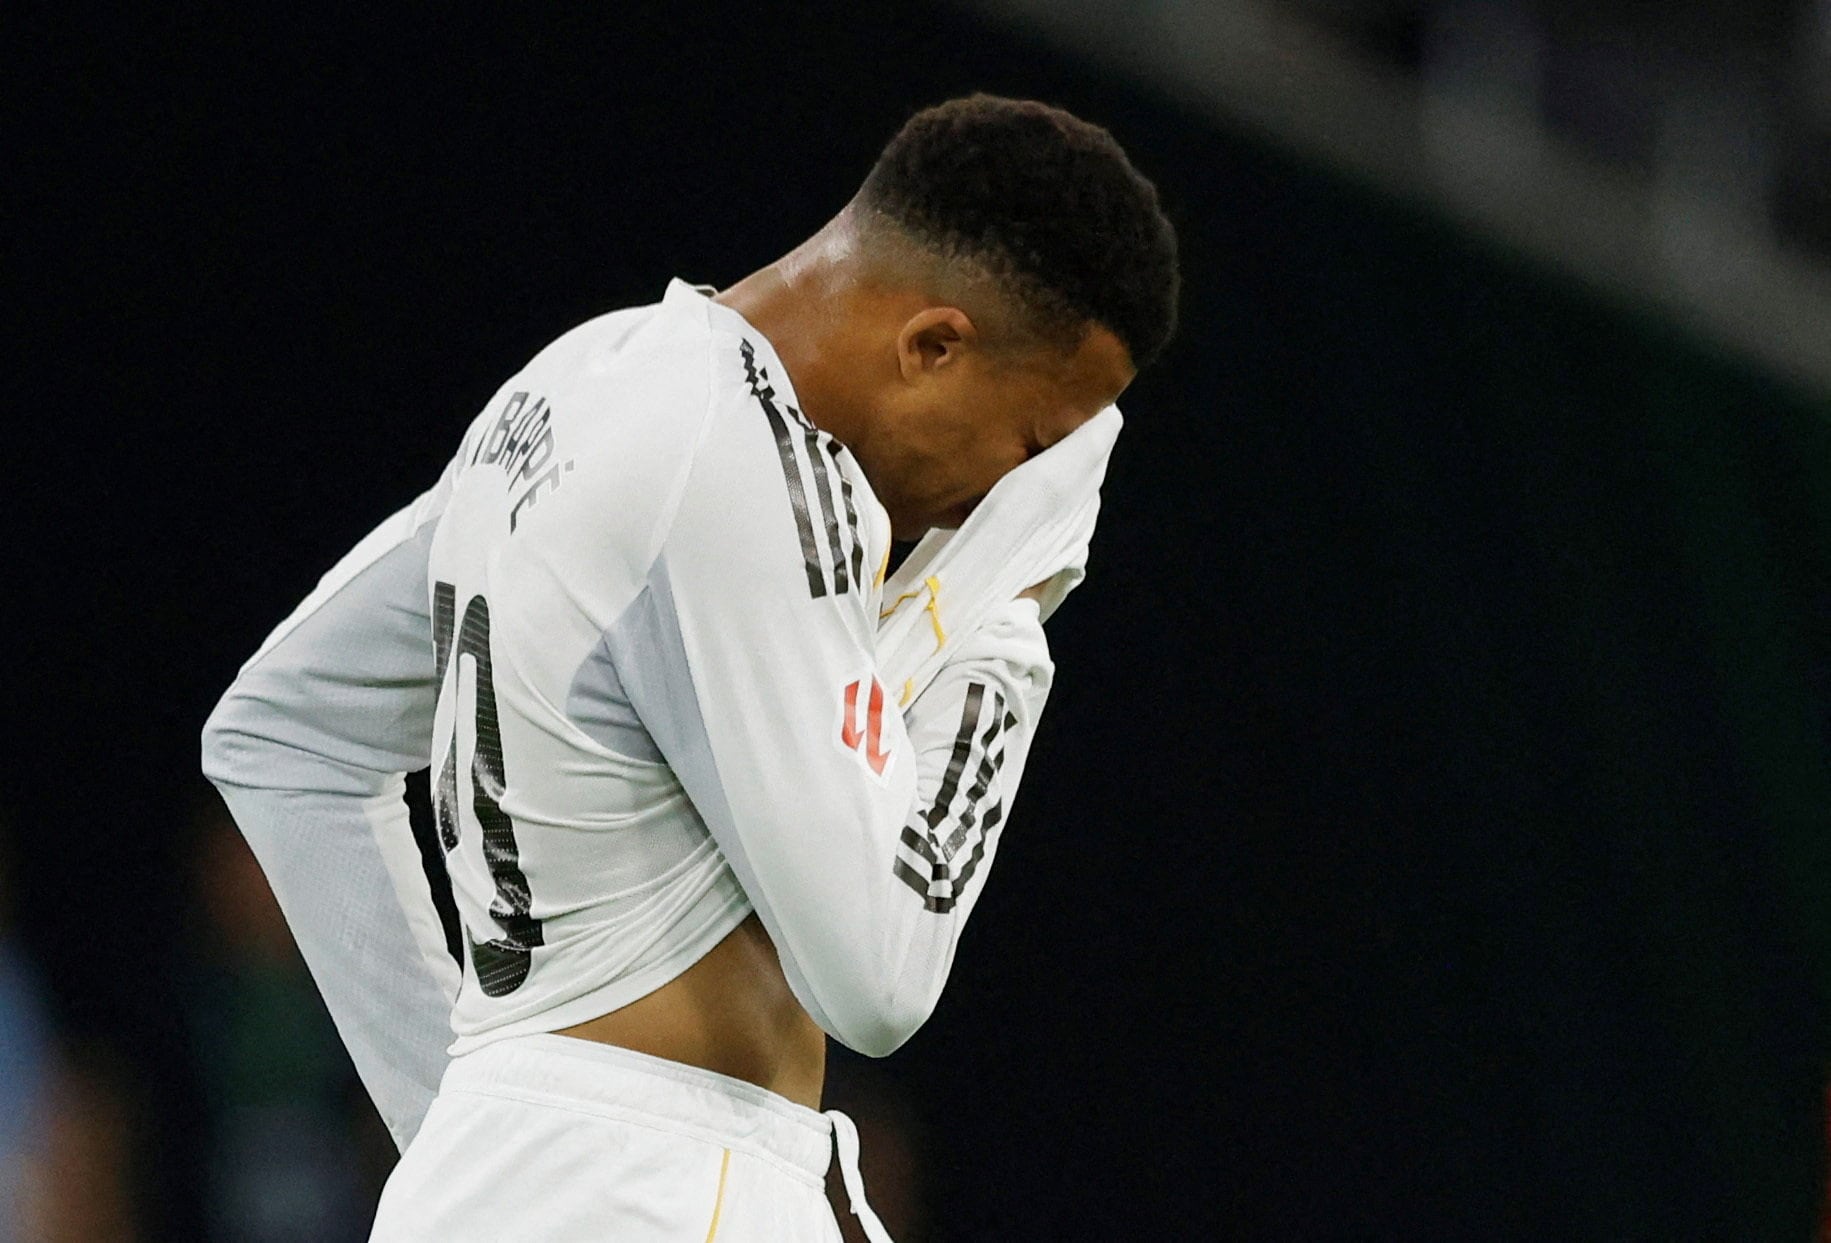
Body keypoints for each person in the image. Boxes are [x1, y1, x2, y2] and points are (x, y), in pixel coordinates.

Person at [201, 93, 1178, 1241]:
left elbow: (285, 730)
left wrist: (467, 1110)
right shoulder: (756, 462)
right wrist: (1004, 619)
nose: (1007, 499)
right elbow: (880, 977)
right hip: (665, 1187)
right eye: (1033, 445)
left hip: (519, 1179)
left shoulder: (575, 382)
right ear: (933, 345)